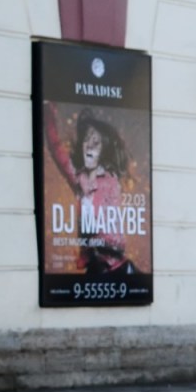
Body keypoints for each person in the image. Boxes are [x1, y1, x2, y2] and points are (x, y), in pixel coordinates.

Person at [44, 103, 136, 276]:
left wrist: (94, 242)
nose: (89, 146)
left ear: (103, 150)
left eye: (96, 143)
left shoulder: (110, 180)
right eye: (86, 140)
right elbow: (56, 149)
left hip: (117, 267)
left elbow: (114, 237)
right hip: (96, 266)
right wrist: (48, 114)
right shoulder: (79, 179)